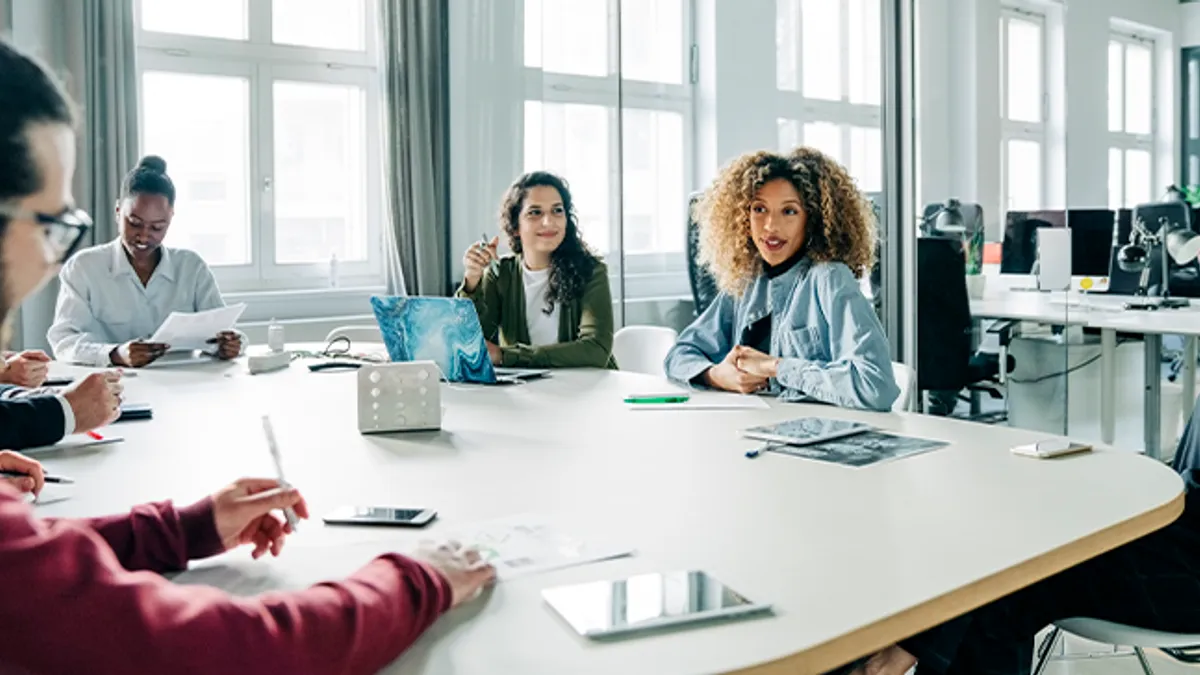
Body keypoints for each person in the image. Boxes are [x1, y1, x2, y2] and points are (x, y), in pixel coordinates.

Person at [0, 38, 494, 674]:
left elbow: (39, 564)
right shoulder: (90, 272)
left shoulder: (190, 265)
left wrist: (190, 526)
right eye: (51, 226)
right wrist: (422, 578)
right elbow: (235, 649)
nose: (50, 259)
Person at [663, 148, 899, 411]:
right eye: (759, 209)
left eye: (789, 211)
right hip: (753, 431)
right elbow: (679, 355)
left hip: (820, 438)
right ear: (743, 217)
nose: (770, 226)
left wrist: (775, 367)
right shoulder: (748, 280)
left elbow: (876, 386)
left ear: (812, 218)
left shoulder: (829, 278)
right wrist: (718, 376)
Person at [47, 154, 245, 368]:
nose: (143, 236)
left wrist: (232, 345)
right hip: (113, 388)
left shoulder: (191, 267)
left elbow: (228, 331)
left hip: (184, 386)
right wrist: (114, 354)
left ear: (171, 218)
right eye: (134, 223)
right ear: (117, 212)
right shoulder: (84, 268)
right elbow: (63, 342)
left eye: (157, 227)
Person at [457, 171, 615, 368]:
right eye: (535, 212)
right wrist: (472, 281)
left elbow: (596, 350)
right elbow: (468, 342)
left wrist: (508, 356)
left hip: (589, 391)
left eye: (557, 210)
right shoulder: (501, 274)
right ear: (515, 226)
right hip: (527, 392)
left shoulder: (591, 271)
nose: (549, 222)